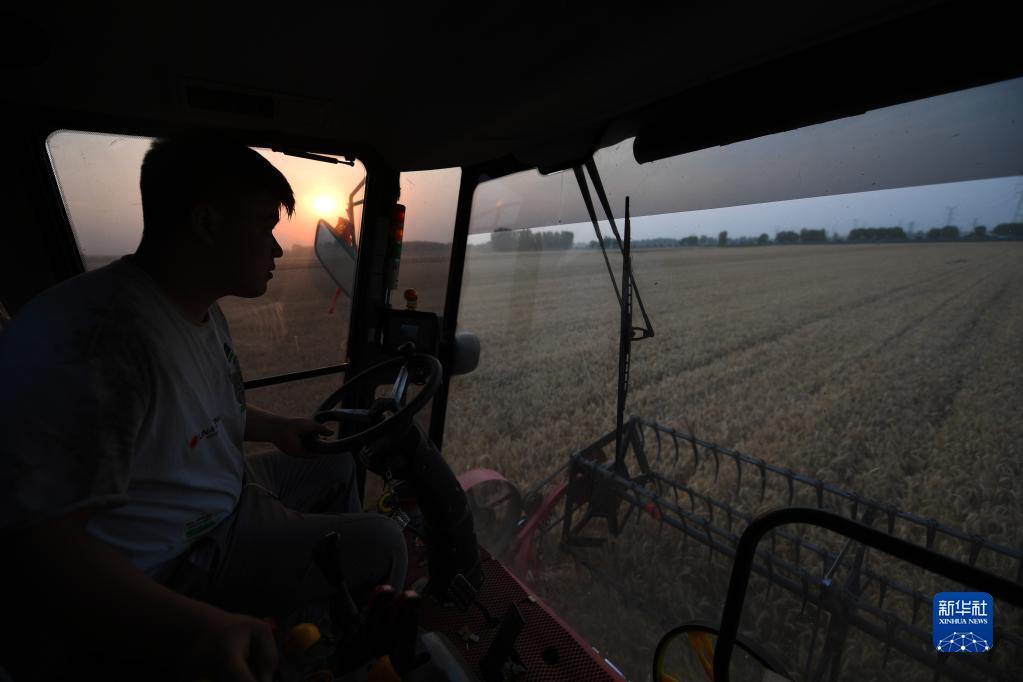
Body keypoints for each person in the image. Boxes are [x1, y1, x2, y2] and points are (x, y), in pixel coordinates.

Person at [0, 137, 407, 681]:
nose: (277, 249)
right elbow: (42, 551)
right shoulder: (103, 348)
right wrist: (196, 629)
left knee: (333, 463)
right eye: (266, 225)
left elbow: (205, 410)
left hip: (224, 493)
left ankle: (313, 611)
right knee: (384, 543)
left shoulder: (194, 307)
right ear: (207, 223)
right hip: (181, 556)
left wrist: (278, 427)